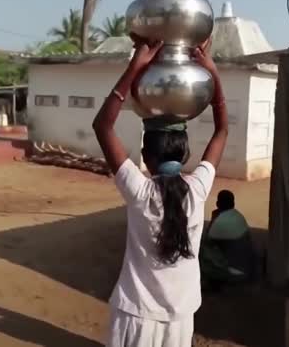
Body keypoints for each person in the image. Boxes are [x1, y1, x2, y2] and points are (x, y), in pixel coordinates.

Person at [92, 34, 229, 347]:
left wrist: (135, 65)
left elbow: (103, 126)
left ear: (147, 157)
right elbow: (222, 129)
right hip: (179, 319)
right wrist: (211, 71)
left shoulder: (139, 190)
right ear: (185, 156)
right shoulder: (197, 190)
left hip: (135, 317)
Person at [200, 190, 256, 290]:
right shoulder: (239, 216)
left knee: (201, 251)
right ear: (233, 203)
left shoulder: (220, 221)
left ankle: (212, 283)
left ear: (217, 204)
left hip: (235, 274)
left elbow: (206, 241)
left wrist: (215, 218)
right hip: (247, 269)